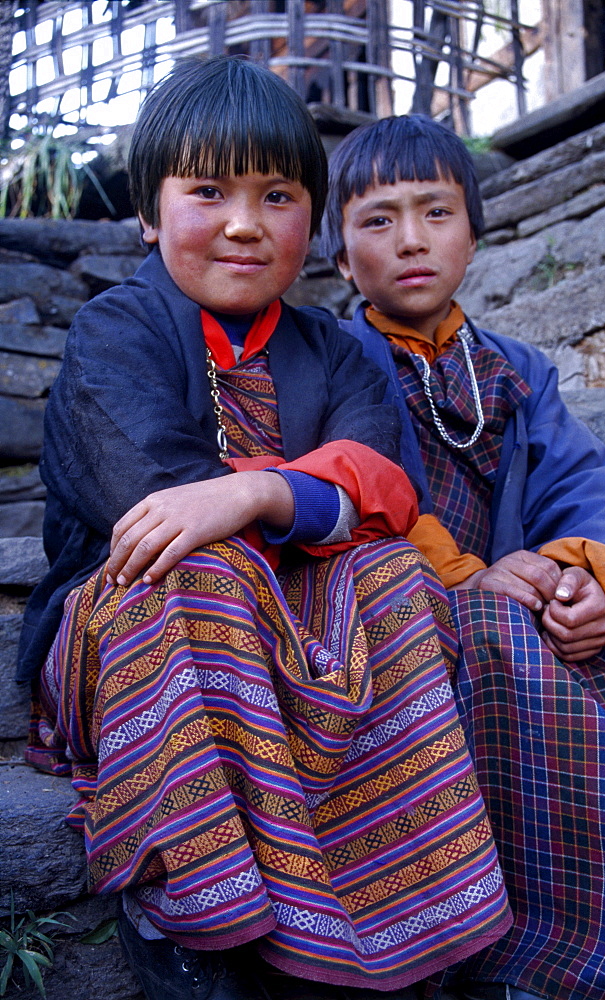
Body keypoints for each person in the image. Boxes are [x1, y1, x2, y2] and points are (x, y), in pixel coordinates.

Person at [17, 61, 515, 1000]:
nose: (246, 223)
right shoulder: (113, 332)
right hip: (139, 618)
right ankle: (201, 928)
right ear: (149, 213)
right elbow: (155, 507)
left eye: (277, 195)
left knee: (399, 579)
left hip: (314, 620)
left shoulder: (335, 351)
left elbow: (383, 489)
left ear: (309, 221)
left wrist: (248, 496)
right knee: (203, 572)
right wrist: (298, 492)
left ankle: (413, 922)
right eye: (209, 191)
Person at [321, 113, 605, 1000]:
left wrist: (589, 573)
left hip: (524, 596)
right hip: (406, 607)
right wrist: (473, 576)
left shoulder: (514, 370)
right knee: (506, 641)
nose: (410, 241)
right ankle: (546, 959)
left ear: (475, 228)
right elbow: (355, 491)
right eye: (377, 220)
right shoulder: (329, 361)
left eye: (435, 212)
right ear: (338, 249)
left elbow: (589, 483)